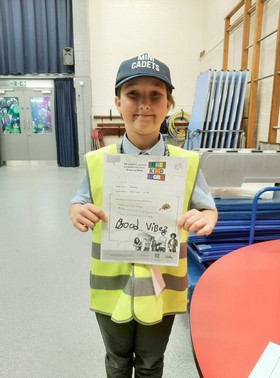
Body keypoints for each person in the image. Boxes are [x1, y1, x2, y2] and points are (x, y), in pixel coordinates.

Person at [69, 53, 218, 378]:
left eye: (155, 95)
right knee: (117, 361)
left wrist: (206, 218)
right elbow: (77, 202)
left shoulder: (186, 163)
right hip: (113, 289)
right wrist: (78, 212)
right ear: (118, 102)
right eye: (133, 94)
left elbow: (208, 208)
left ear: (169, 105)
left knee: (151, 364)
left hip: (160, 291)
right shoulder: (99, 162)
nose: (144, 104)